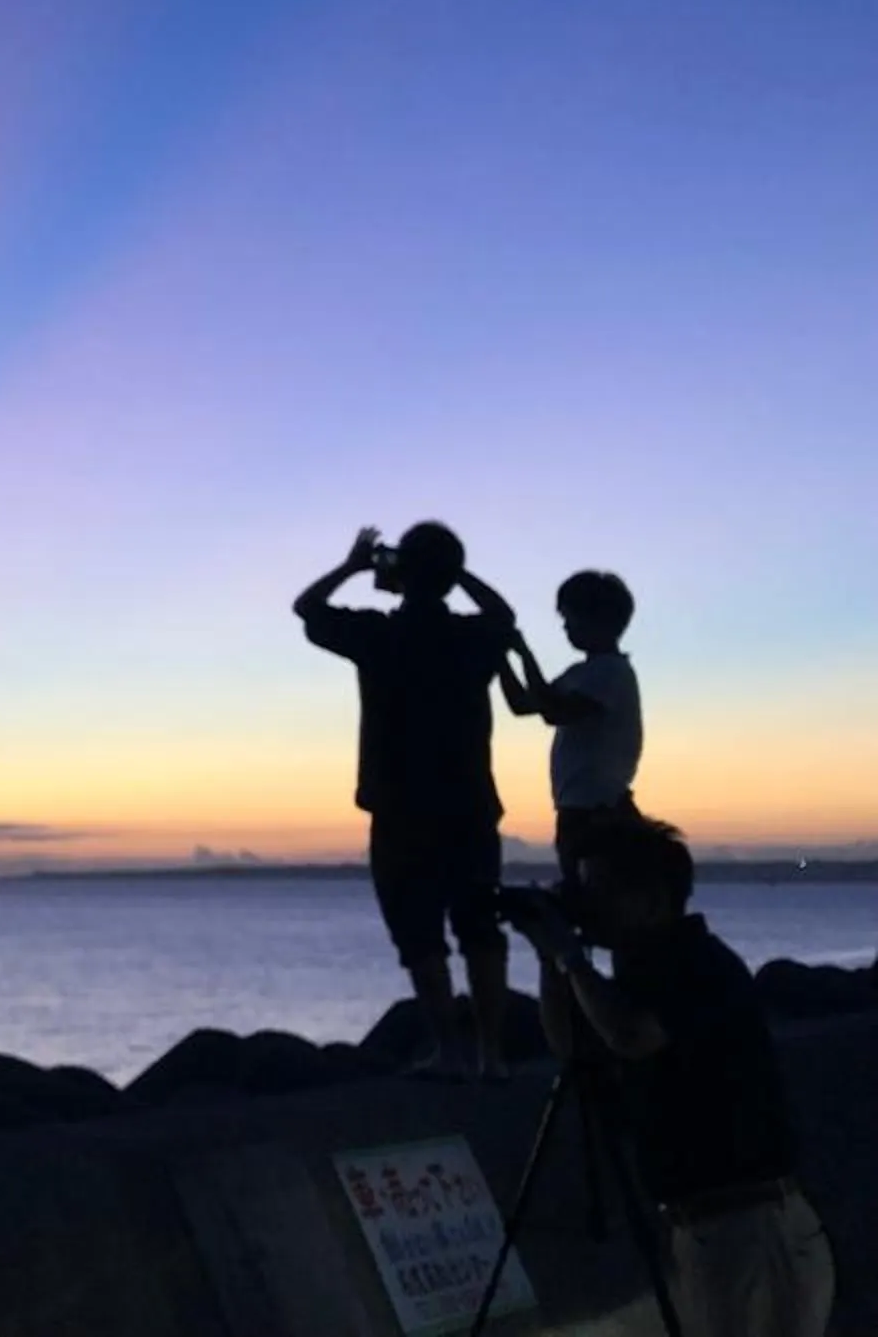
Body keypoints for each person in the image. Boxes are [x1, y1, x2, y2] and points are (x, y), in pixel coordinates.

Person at [509, 815, 835, 1337]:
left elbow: (632, 1036)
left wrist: (572, 958)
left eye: (599, 892)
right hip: (709, 1231)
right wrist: (551, 961)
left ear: (651, 899)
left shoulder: (699, 966)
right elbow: (573, 1047)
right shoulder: (640, 974)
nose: (588, 908)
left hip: (750, 1230)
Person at [293, 521, 521, 1078]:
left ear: (403, 573)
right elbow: (505, 616)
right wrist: (450, 571)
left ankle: (451, 1050)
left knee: (419, 933)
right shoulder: (474, 636)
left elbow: (307, 608)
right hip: (469, 804)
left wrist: (354, 566)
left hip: (399, 807)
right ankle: (492, 1052)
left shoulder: (380, 635)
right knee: (479, 927)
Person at [498, 568, 644, 881]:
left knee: (592, 897)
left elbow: (553, 711)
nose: (566, 626)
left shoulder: (610, 673)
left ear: (598, 620)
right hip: (577, 806)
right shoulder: (582, 673)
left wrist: (523, 654)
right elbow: (523, 704)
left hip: (598, 809)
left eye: (570, 618)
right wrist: (501, 659)